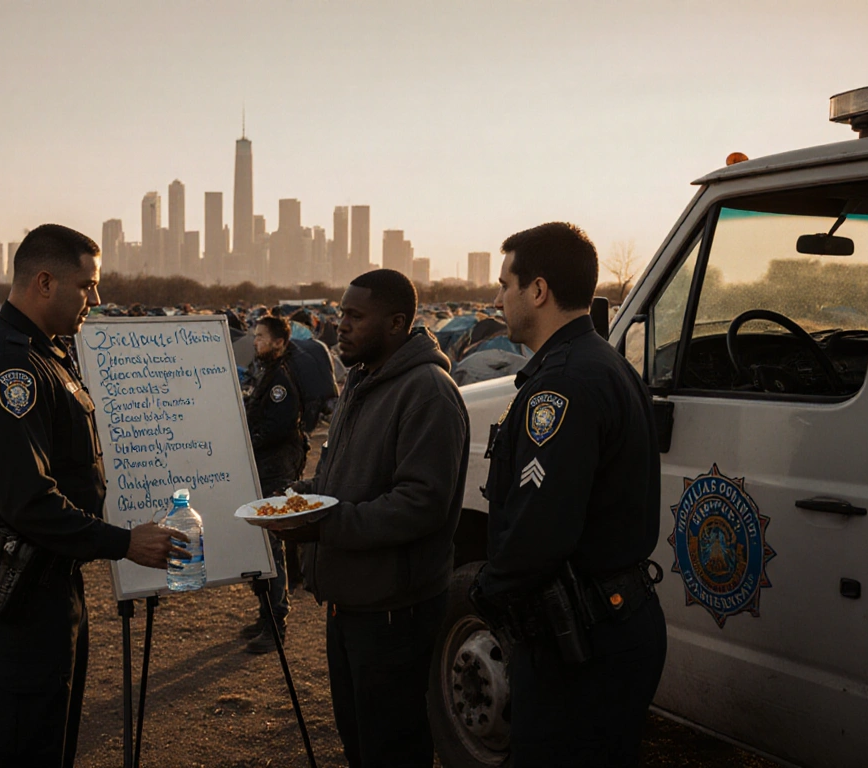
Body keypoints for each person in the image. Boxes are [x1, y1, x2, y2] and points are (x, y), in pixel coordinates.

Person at [0, 224, 185, 767]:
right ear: (46, 282)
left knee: (49, 739)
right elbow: (27, 499)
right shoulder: (12, 365)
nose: (96, 299)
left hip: (44, 576)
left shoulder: (42, 352)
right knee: (25, 748)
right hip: (20, 584)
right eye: (87, 285)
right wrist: (123, 543)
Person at [476, 222, 666, 767]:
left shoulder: (562, 384)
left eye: (504, 284)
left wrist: (486, 589)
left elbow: (541, 526)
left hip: (584, 642)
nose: (497, 298)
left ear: (537, 291)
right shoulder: (602, 363)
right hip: (611, 625)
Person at [277, 269, 469, 768]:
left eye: (355, 316)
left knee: (394, 749)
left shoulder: (427, 391)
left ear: (396, 323)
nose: (340, 325)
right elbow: (339, 483)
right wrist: (293, 499)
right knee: (360, 744)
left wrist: (323, 524)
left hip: (394, 614)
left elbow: (421, 504)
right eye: (341, 313)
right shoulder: (361, 383)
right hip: (350, 604)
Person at [239, 315, 309, 654]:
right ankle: (264, 613)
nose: (256, 342)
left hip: (276, 469)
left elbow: (278, 427)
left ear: (280, 341)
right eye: (255, 336)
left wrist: (248, 441)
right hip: (264, 467)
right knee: (258, 543)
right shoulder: (266, 373)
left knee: (271, 546)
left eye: (262, 337)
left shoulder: (280, 378)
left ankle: (276, 622)